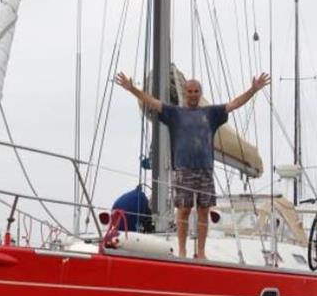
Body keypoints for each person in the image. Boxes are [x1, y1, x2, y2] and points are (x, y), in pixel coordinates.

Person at [115, 70, 270, 259]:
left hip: (205, 169)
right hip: (183, 169)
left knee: (204, 211)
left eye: (196, 91)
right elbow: (151, 102)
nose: (193, 95)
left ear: (200, 93)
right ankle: (182, 250)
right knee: (184, 210)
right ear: (185, 93)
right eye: (190, 91)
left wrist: (253, 90)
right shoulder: (174, 114)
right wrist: (132, 89)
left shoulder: (211, 113)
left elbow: (234, 104)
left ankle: (201, 251)